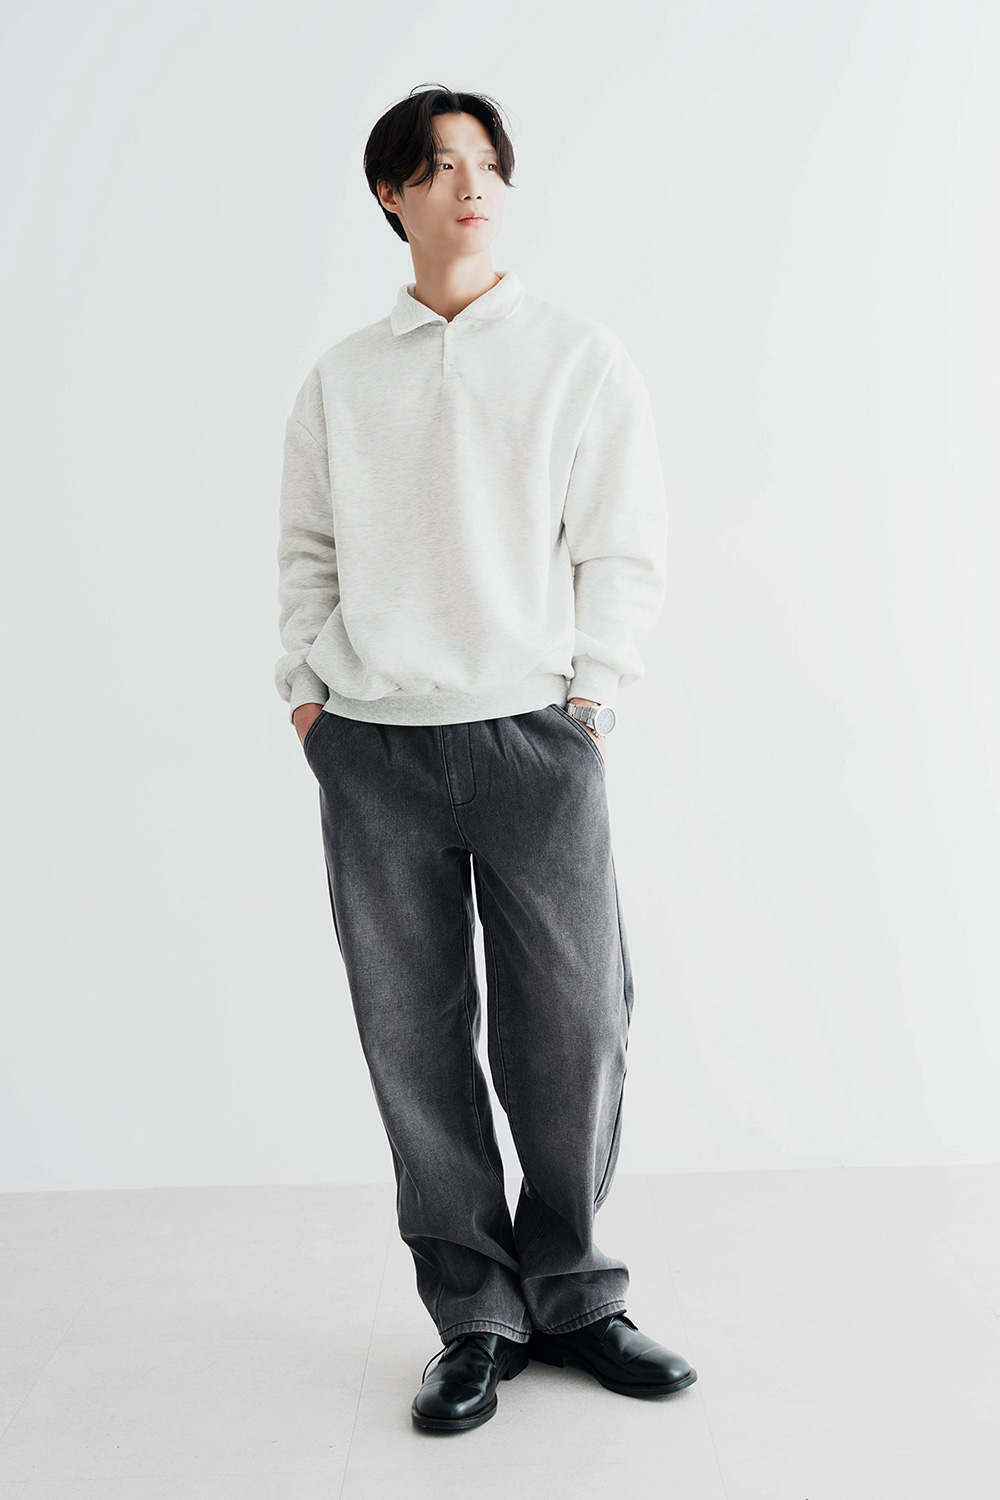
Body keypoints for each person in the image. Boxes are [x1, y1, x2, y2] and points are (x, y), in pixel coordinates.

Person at [274, 84, 696, 1431]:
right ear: (391, 194)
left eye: (488, 164)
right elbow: (307, 551)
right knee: (412, 1036)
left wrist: (593, 698)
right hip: (375, 749)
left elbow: (621, 545)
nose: (473, 185)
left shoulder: (577, 357)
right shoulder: (344, 378)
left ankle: (573, 1292)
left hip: (535, 738)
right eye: (441, 165)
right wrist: (309, 701)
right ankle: (474, 1316)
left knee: (573, 1026)